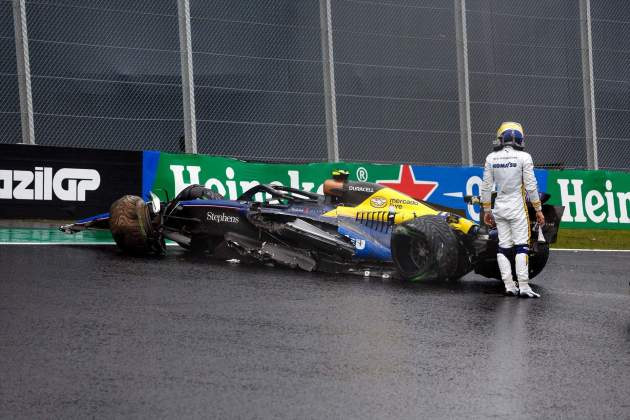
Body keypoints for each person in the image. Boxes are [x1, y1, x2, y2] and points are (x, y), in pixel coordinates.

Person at [481, 122, 545, 298]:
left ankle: (509, 285)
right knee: (522, 247)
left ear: (502, 138)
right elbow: (531, 186)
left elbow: (486, 187)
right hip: (517, 209)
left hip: (499, 208)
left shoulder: (491, 158)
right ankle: (523, 286)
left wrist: (487, 210)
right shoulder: (525, 157)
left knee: (503, 247)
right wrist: (538, 209)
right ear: (519, 139)